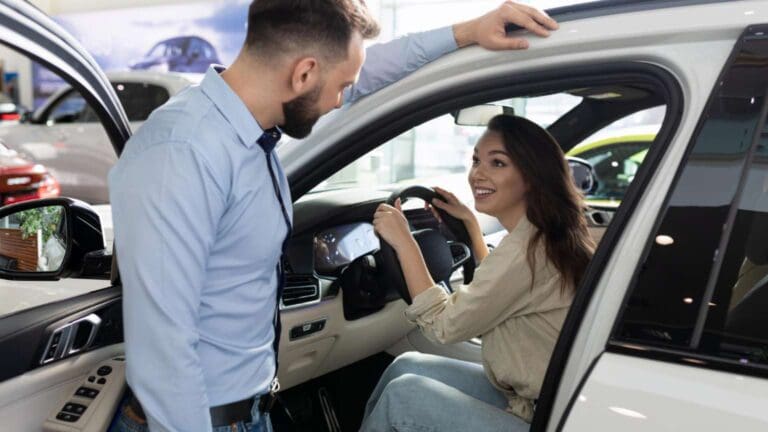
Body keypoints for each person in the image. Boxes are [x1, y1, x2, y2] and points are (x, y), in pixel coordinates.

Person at [109, 1, 559, 431]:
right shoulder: (183, 153)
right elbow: (163, 350)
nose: (345, 100)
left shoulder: (253, 127)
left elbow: (366, 71)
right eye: (343, 87)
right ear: (304, 73)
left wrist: (465, 33)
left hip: (246, 410)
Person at [366, 114, 595, 431]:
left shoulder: (524, 252)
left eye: (497, 163)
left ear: (532, 175)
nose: (478, 174)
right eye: (476, 161)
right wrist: (472, 227)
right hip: (539, 404)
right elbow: (502, 292)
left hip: (547, 418)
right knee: (405, 365)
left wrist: (404, 242)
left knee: (403, 396)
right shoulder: (542, 236)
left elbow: (444, 326)